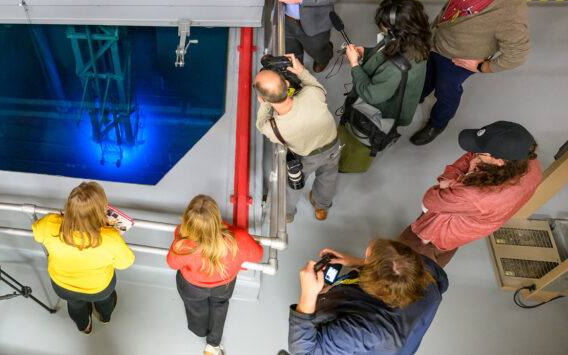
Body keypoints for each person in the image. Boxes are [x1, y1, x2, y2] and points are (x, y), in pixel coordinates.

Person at [410, 0, 533, 146]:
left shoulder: (510, 14)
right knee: (426, 74)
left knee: (446, 91)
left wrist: (482, 67)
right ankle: (418, 95)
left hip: (458, 58)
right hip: (438, 40)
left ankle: (437, 124)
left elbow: (519, 54)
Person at [400, 121, 542, 267]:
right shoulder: (528, 161)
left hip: (440, 232)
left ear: (499, 161)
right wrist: (452, 181)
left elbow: (431, 199)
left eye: (481, 153)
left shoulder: (478, 195)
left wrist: (464, 175)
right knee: (445, 250)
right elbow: (470, 156)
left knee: (410, 263)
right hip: (467, 223)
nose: (475, 154)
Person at [288, 239, 448, 355]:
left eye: (367, 258)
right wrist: (359, 263)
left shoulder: (363, 332)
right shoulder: (419, 277)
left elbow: (303, 353)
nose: (364, 260)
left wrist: (308, 295)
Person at [338, 0, 431, 172]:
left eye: (386, 26)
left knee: (360, 144)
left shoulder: (396, 68)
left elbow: (371, 94)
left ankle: (351, 166)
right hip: (394, 90)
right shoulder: (416, 37)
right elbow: (387, 49)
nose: (383, 29)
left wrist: (354, 65)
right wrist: (368, 52)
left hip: (380, 111)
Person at [32, 181, 134, 334]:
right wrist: (106, 228)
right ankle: (105, 317)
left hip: (63, 286)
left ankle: (84, 326)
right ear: (101, 211)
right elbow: (125, 262)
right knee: (105, 300)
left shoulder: (49, 224)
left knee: (75, 305)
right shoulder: (110, 237)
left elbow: (37, 234)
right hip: (99, 288)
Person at [167, 195, 264, 355]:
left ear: (187, 219)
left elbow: (172, 263)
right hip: (223, 286)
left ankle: (199, 330)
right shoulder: (237, 239)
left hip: (191, 287)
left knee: (195, 308)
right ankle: (213, 345)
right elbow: (258, 255)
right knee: (220, 308)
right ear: (217, 218)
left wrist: (180, 233)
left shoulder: (182, 243)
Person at [255, 54, 341, 222]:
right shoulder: (312, 94)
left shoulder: (272, 127)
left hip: (306, 158)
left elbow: (260, 122)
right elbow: (314, 85)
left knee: (292, 187)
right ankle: (321, 207)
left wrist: (266, 101)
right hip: (333, 147)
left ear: (261, 99)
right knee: (328, 177)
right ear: (287, 84)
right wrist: (300, 71)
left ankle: (286, 215)